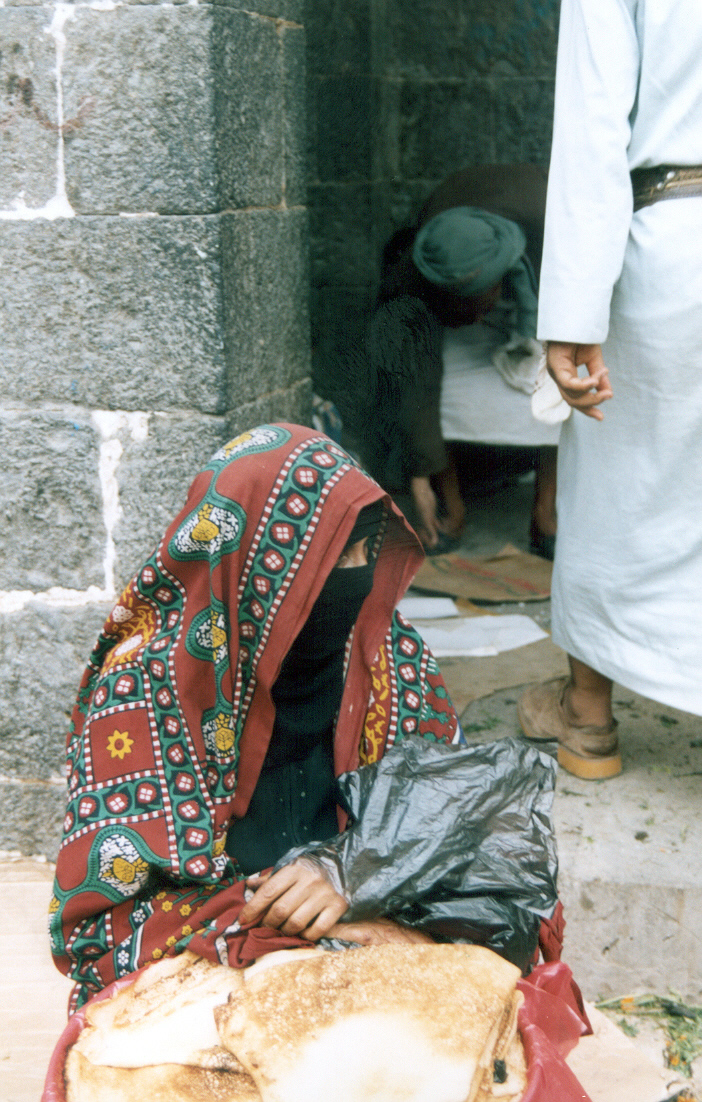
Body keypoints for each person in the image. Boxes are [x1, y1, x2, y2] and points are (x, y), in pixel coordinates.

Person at [48, 423, 460, 1011]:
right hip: (211, 964)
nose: (361, 572)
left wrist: (354, 868)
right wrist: (284, 927)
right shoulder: (150, 680)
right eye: (336, 552)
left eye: (370, 549)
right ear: (263, 559)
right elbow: (103, 922)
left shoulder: (386, 654)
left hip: (370, 930)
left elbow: (460, 812)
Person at [518, 0, 702, 778]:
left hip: (675, 239)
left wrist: (572, 309)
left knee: (616, 482)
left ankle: (588, 717)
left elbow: (595, 126)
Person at [334, 165, 560, 555]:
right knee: (448, 385)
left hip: (545, 283)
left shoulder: (555, 227)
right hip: (467, 283)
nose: (469, 315)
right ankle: (453, 513)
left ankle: (546, 516)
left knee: (560, 380)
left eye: (475, 301)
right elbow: (415, 371)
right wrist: (421, 479)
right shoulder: (414, 269)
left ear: (499, 279)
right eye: (457, 304)